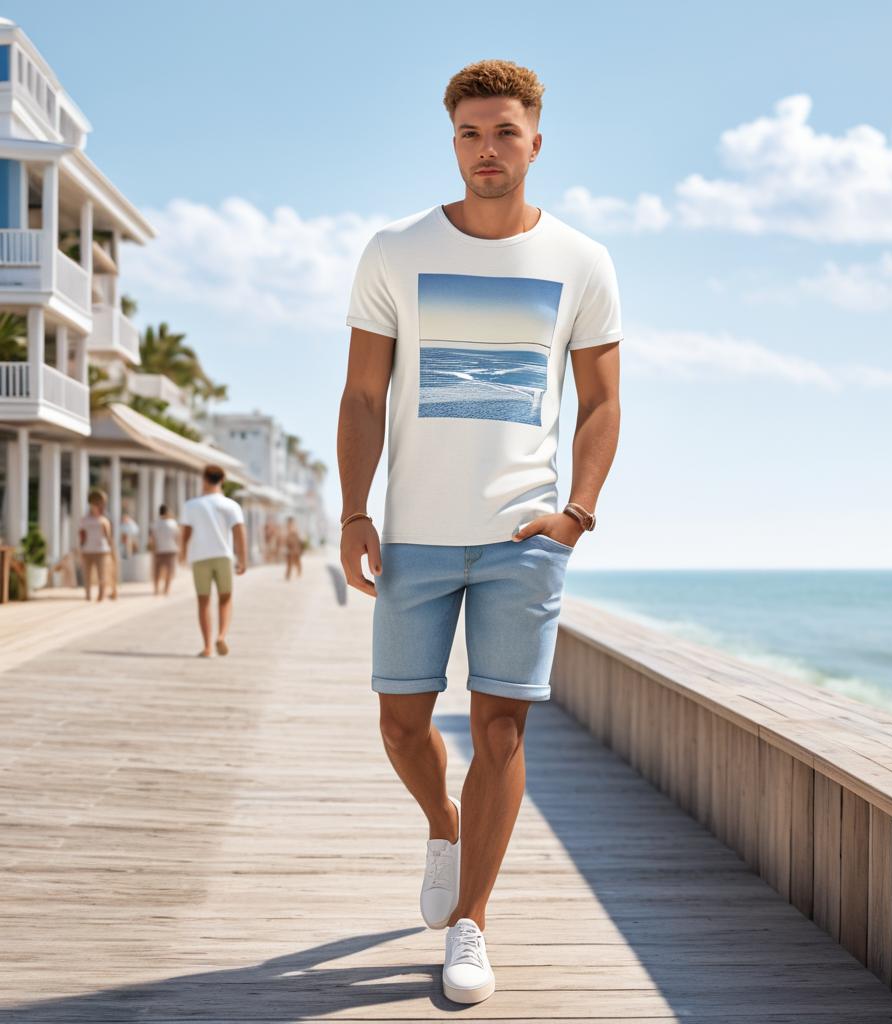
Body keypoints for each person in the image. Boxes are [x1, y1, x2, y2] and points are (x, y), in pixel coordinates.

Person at [336, 60, 622, 1005]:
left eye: (503, 132)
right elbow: (364, 393)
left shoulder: (581, 261)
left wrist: (575, 514)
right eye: (469, 134)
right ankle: (444, 825)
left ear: (536, 140)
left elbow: (602, 400)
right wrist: (354, 511)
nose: (486, 150)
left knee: (500, 728)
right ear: (450, 140)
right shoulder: (394, 250)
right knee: (401, 722)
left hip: (522, 540)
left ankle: (471, 923)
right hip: (414, 534)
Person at [180, 464, 247, 658]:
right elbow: (239, 533)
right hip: (223, 556)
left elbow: (186, 532)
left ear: (204, 479)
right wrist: (243, 559)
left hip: (200, 557)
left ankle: (208, 647)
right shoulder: (230, 505)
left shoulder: (191, 505)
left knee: (203, 601)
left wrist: (182, 553)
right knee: (225, 599)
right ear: (222, 480)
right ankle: (221, 635)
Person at [79, 489, 117, 602]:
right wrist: (81, 548)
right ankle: (88, 595)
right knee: (87, 574)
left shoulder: (104, 519)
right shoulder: (85, 519)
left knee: (103, 574)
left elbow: (108, 536)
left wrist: (112, 549)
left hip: (102, 550)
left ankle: (102, 595)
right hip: (87, 550)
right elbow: (82, 535)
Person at [149, 504, 181, 596]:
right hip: (171, 550)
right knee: (169, 571)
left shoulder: (155, 523)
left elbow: (152, 538)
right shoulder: (173, 523)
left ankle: (156, 589)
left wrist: (153, 549)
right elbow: (177, 537)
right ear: (167, 512)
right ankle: (166, 589)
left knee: (156, 571)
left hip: (158, 550)